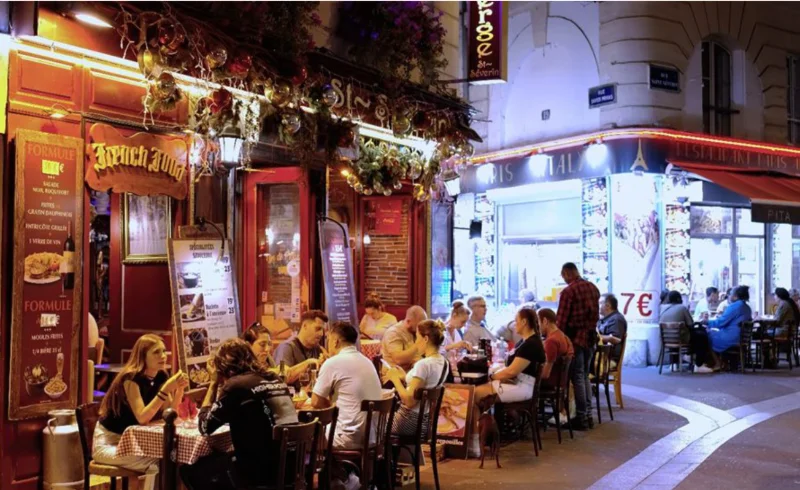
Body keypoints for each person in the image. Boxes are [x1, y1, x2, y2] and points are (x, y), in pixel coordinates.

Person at [181, 338, 298, 490]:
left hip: (259, 474)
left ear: (223, 367)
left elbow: (204, 427)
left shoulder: (236, 385)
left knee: (189, 471)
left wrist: (213, 383)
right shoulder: (274, 378)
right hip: (291, 468)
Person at [94, 334, 189, 490]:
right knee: (159, 464)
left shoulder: (161, 375)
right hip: (110, 443)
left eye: (164, 351)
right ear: (143, 356)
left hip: (134, 441)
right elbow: (142, 418)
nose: (163, 356)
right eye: (156, 352)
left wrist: (178, 390)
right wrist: (165, 389)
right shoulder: (131, 379)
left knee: (175, 459)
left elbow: (169, 414)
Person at [312, 322, 383, 449]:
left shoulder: (332, 363)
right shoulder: (367, 362)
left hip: (347, 438)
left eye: (328, 340)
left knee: (305, 436)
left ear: (335, 342)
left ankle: (327, 468)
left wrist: (331, 406)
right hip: (373, 436)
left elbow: (316, 402)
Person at [383, 319, 450, 435]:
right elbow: (425, 384)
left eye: (417, 338)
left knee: (373, 423)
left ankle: (387, 453)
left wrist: (394, 379)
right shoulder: (444, 362)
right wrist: (405, 377)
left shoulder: (423, 364)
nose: (416, 343)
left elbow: (409, 401)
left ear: (425, 339)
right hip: (426, 421)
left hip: (409, 421)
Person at [556, 262, 600, 430]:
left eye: (563, 276)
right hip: (590, 337)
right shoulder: (593, 288)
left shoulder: (568, 292)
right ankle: (588, 415)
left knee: (578, 378)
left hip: (575, 339)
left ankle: (581, 417)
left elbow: (561, 320)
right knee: (585, 376)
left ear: (566, 273)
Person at [474, 308, 546, 403]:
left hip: (522, 387)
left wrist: (491, 377)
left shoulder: (531, 344)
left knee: (475, 394)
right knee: (476, 391)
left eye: (516, 320)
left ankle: (481, 417)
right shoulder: (524, 342)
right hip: (517, 383)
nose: (515, 324)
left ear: (524, 322)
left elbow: (512, 371)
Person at [695, 286, 753, 373]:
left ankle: (718, 363)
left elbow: (721, 322)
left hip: (731, 337)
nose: (728, 296)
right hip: (740, 337)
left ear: (735, 297)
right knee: (712, 333)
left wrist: (707, 322)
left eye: (730, 295)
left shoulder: (734, 307)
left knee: (707, 336)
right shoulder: (747, 308)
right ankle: (722, 363)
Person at [242, 322, 316, 385]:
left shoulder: (268, 359)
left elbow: (283, 373)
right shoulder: (242, 365)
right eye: (262, 344)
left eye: (269, 344)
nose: (267, 349)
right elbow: (273, 373)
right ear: (248, 345)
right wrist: (308, 362)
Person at [538, 308, 574, 424]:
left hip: (551, 382)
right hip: (560, 381)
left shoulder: (551, 341)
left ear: (544, 321)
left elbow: (545, 374)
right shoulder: (563, 336)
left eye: (538, 323)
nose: (537, 327)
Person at [381, 306, 428, 371]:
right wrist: (418, 344)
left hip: (412, 372)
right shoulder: (394, 333)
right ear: (408, 322)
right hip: (394, 375)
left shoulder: (413, 331)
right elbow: (398, 360)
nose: (421, 329)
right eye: (418, 326)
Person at [597, 294, 628, 364]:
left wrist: (596, 337)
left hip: (607, 358)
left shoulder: (616, 319)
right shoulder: (605, 319)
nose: (597, 306)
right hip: (601, 354)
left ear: (608, 306)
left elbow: (616, 339)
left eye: (600, 303)